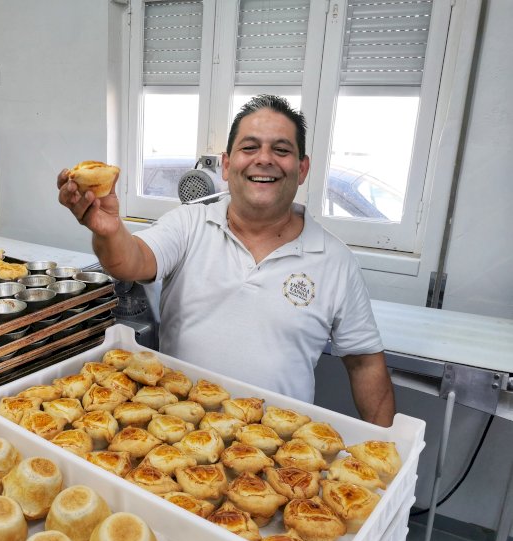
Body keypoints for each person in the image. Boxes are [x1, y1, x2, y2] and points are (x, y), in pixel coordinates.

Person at [57, 94, 395, 427]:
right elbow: (131, 261)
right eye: (249, 148)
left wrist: (391, 458)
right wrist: (109, 230)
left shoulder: (335, 260)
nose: (264, 159)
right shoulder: (189, 224)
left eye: (281, 149)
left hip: (279, 458)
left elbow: (365, 363)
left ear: (302, 168)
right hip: (176, 445)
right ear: (227, 164)